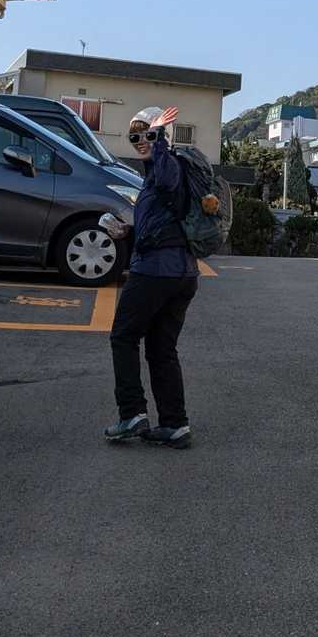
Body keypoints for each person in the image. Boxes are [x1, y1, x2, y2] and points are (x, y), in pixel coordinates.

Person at [102, 105, 198, 449]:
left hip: (157, 272)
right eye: (135, 135)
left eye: (148, 133)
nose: (141, 140)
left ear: (162, 135)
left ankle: (132, 413)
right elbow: (162, 224)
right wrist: (127, 232)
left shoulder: (167, 164)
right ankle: (174, 424)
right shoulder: (155, 173)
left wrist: (159, 139)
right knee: (160, 349)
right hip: (179, 272)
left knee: (123, 336)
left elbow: (169, 178)